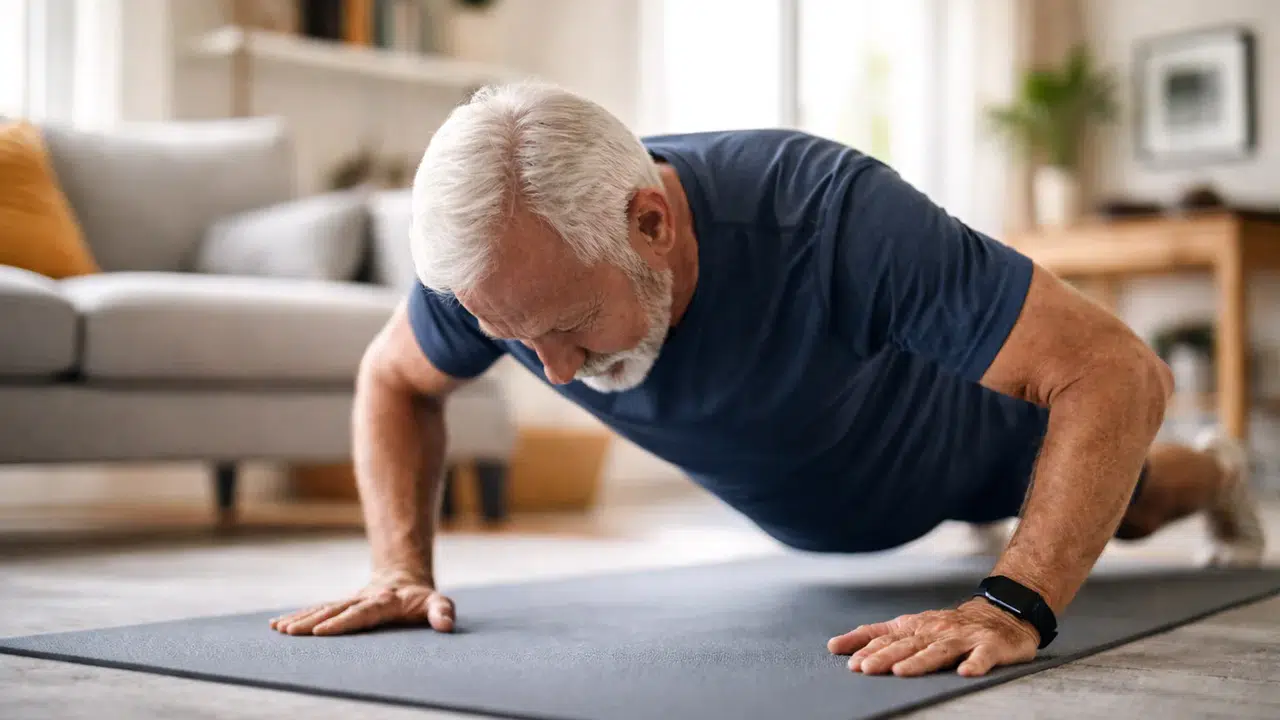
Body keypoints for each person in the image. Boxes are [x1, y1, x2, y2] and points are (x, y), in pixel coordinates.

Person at [268, 83, 1265, 678]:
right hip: (822, 512)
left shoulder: (828, 216)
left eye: (569, 330)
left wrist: (1013, 600)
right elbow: (393, 382)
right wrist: (399, 569)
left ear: (649, 223)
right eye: (514, 342)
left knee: (1127, 504)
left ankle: (1210, 476)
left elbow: (1116, 373)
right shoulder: (501, 264)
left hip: (976, 435)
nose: (554, 372)